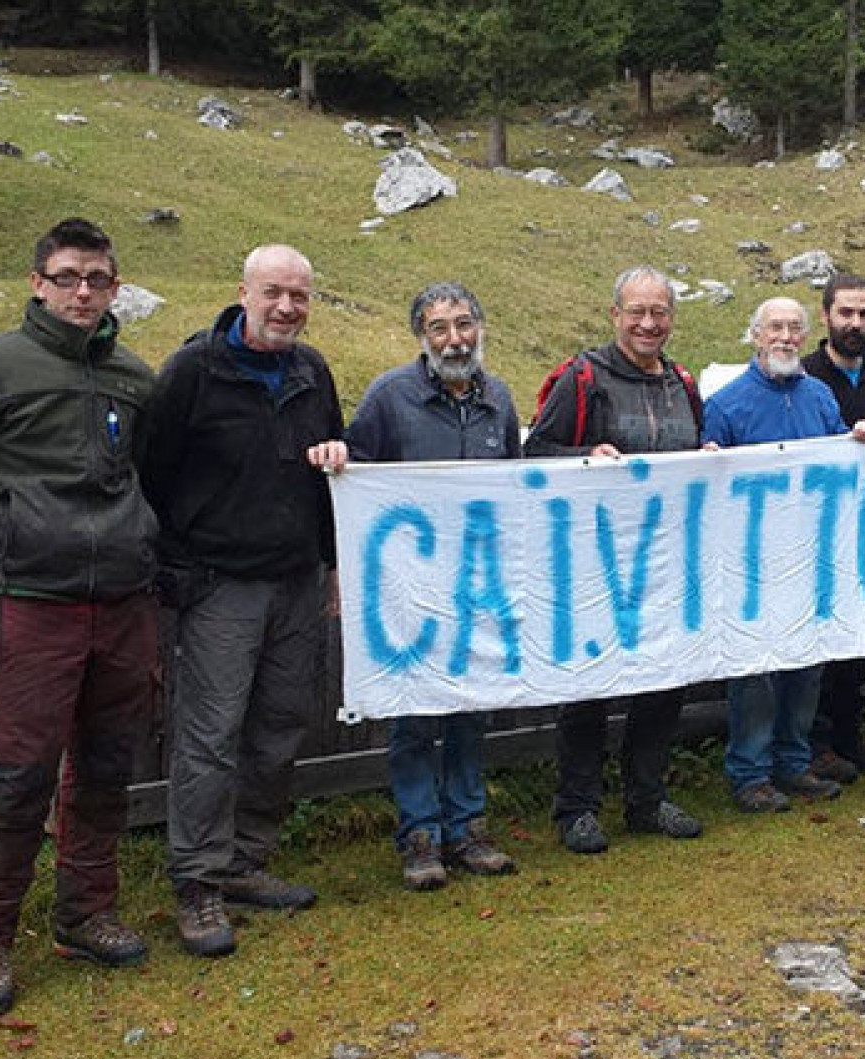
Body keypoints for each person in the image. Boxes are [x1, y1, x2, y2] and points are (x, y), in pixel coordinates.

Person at [0, 218, 160, 1017]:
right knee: (17, 777)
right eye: (67, 277)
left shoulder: (133, 377)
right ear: (38, 283)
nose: (83, 292)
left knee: (108, 768)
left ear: (115, 288)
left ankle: (86, 915)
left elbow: (152, 482)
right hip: (36, 606)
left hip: (124, 607)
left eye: (97, 279)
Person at [139, 244, 347, 957]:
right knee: (210, 733)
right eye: (274, 293)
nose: (287, 307)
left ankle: (246, 861)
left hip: (296, 580)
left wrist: (330, 563)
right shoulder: (193, 371)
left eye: (299, 295)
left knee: (281, 723)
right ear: (244, 293)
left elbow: (330, 467)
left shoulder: (312, 371)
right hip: (219, 585)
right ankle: (197, 882)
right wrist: (176, 570)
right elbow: (152, 472)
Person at [344, 282, 522, 890]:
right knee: (414, 714)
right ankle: (419, 835)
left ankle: (467, 827)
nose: (454, 339)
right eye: (439, 328)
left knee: (471, 707)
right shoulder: (389, 397)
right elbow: (355, 477)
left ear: (480, 328)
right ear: (422, 336)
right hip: (408, 588)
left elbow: (514, 485)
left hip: (477, 584)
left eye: (464, 324)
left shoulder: (500, 399)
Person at [524, 266, 706, 855]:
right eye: (637, 312)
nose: (648, 323)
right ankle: (577, 807)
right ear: (615, 316)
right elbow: (535, 452)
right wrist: (585, 456)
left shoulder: (683, 382)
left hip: (665, 564)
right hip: (592, 565)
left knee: (664, 682)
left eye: (659, 312)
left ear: (672, 318)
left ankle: (646, 799)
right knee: (589, 687)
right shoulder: (582, 378)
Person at [703, 297, 865, 811]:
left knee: (806, 665)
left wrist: (860, 442)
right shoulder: (726, 404)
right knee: (755, 673)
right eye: (774, 328)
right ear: (755, 336)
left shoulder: (820, 397)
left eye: (793, 329)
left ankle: (794, 760)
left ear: (805, 337)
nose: (784, 337)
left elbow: (839, 463)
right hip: (750, 564)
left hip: (811, 559)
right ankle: (750, 773)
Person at [798, 272, 865, 784]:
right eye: (846, 313)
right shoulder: (804, 376)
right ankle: (814, 745)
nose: (856, 323)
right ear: (826, 316)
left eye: (864, 313)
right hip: (815, 531)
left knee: (859, 638)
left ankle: (848, 738)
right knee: (820, 641)